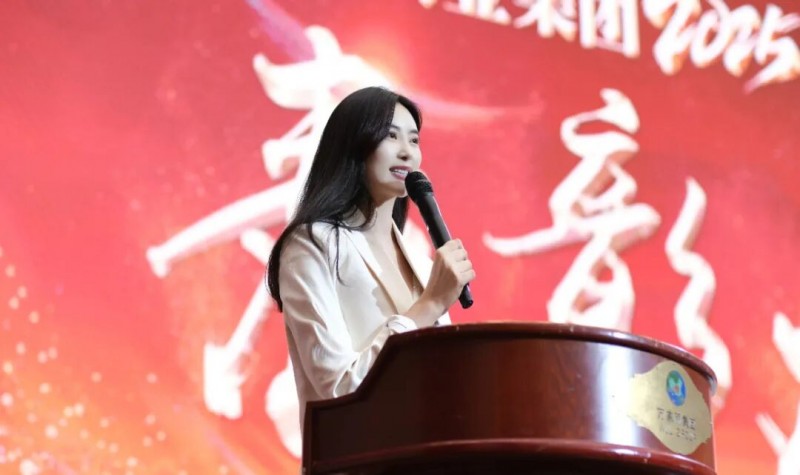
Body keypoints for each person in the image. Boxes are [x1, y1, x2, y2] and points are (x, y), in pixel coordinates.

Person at [266, 86, 475, 426]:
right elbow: (338, 387)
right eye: (391, 136)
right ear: (354, 143)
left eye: (414, 140)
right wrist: (430, 304)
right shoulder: (312, 245)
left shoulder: (423, 265)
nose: (407, 152)